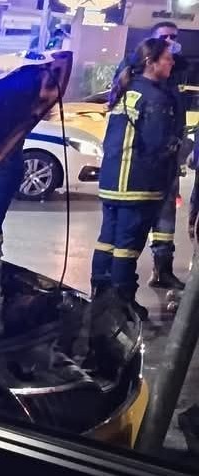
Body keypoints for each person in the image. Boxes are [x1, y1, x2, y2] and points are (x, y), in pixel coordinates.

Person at [94, 37, 178, 320]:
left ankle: (99, 296)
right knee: (127, 248)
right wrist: (178, 148)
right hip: (138, 184)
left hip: (112, 182)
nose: (172, 62)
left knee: (107, 241)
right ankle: (122, 304)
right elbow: (157, 145)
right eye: (167, 58)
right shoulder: (156, 98)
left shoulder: (126, 90)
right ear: (151, 63)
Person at [121, 22, 189, 289]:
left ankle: (163, 270)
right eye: (165, 37)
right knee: (134, 224)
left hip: (168, 156)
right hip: (145, 160)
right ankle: (120, 283)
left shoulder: (173, 70)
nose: (171, 41)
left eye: (174, 37)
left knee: (166, 218)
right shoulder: (137, 70)